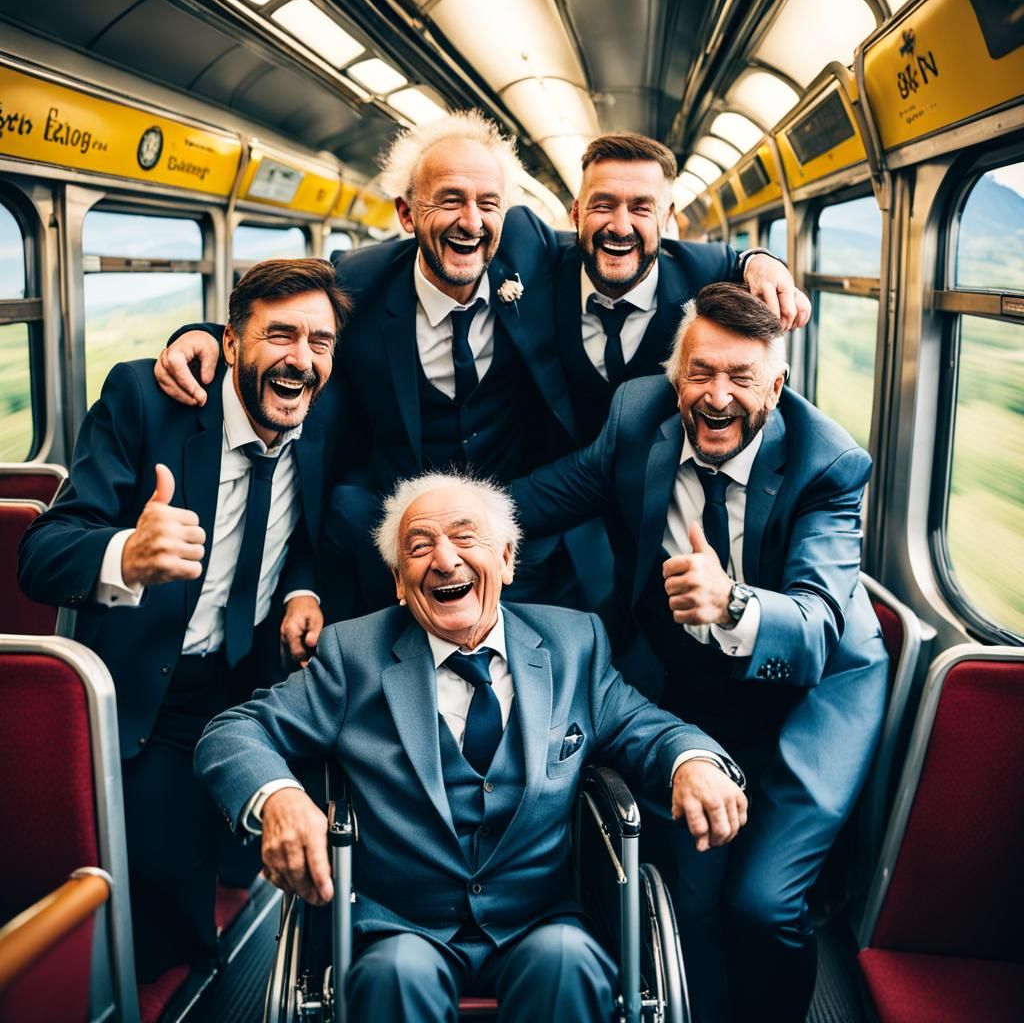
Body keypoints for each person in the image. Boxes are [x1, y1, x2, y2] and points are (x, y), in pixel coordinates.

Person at [151, 116, 807, 615]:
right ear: (407, 214)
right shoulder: (359, 279)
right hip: (397, 536)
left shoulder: (529, 248)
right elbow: (278, 311)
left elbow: (667, 249)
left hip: (525, 536)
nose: (471, 222)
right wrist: (206, 336)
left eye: (487, 204)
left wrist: (756, 261)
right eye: (449, 201)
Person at [193, 472, 749, 1023]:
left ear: (506, 560)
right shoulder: (351, 654)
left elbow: (647, 727)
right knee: (395, 976)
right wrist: (281, 798)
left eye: (464, 537)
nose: (444, 560)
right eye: (419, 547)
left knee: (568, 963)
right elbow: (232, 731)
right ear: (399, 582)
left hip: (538, 922)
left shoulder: (574, 643)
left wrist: (693, 762)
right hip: (401, 929)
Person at [509, 283, 888, 1023]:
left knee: (761, 902)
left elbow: (816, 625)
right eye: (701, 374)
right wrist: (439, 530)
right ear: (675, 377)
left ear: (775, 386)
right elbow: (541, 498)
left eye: (742, 378)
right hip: (696, 685)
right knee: (688, 899)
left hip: (817, 690)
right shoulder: (636, 417)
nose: (717, 397)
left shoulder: (828, 463)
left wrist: (731, 603)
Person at [18, 258, 350, 980]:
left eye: (319, 342)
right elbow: (40, 556)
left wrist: (303, 591)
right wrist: (126, 555)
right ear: (229, 343)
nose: (301, 359)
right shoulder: (144, 399)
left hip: (256, 684)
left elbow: (306, 531)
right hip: (156, 695)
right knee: (170, 928)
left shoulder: (324, 413)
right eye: (279, 335)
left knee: (324, 857)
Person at [556, 132, 810, 442]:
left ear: (666, 217)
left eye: (641, 208)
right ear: (576, 213)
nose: (620, 227)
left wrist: (762, 261)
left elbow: (745, 262)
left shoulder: (706, 269)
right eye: (603, 205)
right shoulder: (544, 264)